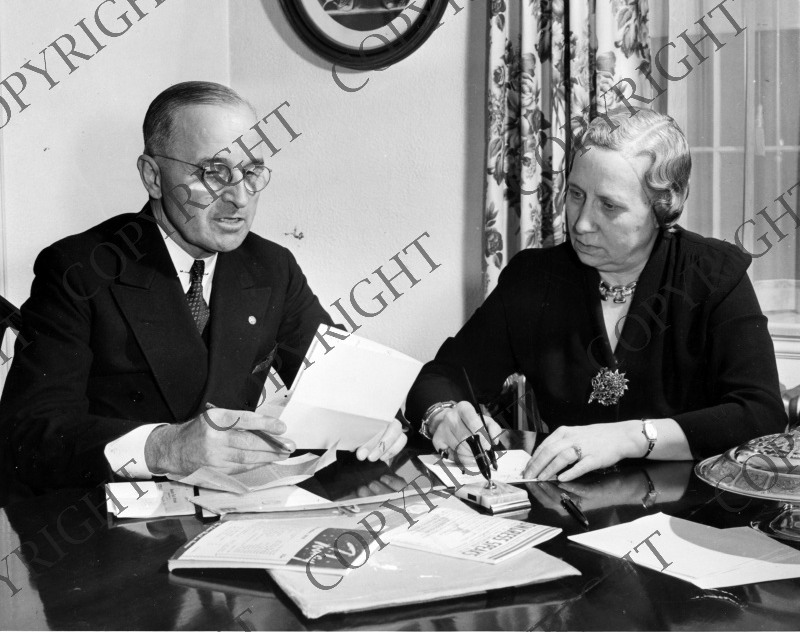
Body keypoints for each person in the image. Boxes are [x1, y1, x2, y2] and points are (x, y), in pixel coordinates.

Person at [0, 81, 406, 488]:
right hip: (111, 513)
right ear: (153, 177)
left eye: (251, 172)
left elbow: (341, 383)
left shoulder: (271, 267)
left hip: (237, 508)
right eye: (214, 173)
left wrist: (372, 420)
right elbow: (28, 434)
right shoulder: (81, 269)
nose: (239, 198)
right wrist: (164, 447)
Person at [406, 107, 786, 482]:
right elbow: (441, 377)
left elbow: (761, 414)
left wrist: (631, 437)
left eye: (609, 205)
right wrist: (443, 416)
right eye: (576, 194)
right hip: (568, 504)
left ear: (665, 206)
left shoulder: (713, 275)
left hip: (690, 508)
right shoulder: (534, 279)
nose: (581, 222)